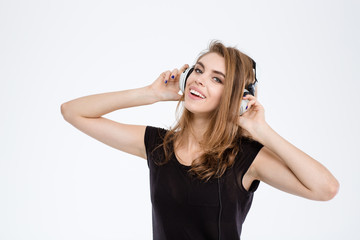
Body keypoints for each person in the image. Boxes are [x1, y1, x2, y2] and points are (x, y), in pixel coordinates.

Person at [61, 40, 339, 240]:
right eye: (198, 70)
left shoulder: (246, 157)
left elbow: (325, 188)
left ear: (237, 97)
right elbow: (73, 112)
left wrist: (262, 131)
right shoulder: (158, 145)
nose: (200, 80)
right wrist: (150, 93)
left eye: (217, 79)